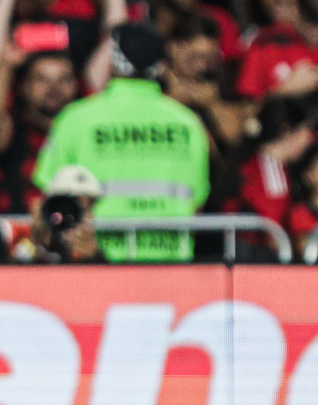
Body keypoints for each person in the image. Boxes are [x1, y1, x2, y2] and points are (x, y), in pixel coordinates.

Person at [33, 22, 210, 261]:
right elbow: (198, 196)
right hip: (170, 264)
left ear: (114, 61)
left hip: (100, 258)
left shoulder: (76, 118)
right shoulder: (188, 123)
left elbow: (50, 192)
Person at [0, 163, 103, 263]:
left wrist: (91, 260)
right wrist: (35, 244)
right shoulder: (7, 236)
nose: (72, 217)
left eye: (86, 209)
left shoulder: (85, 250)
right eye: (66, 207)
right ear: (45, 205)